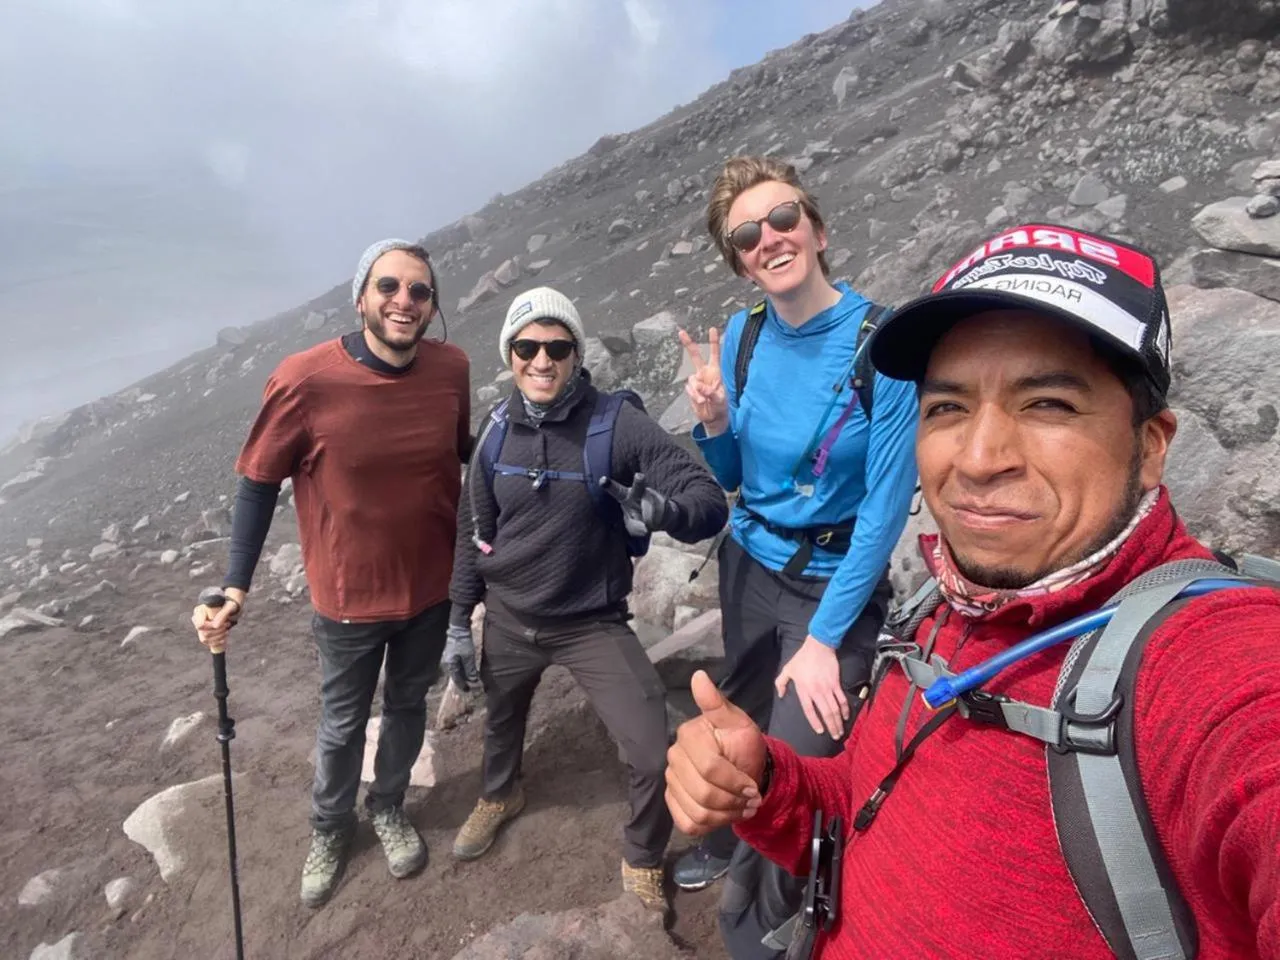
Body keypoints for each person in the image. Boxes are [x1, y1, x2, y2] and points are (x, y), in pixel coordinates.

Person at [664, 223, 1280, 959]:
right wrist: (769, 782)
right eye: (948, 408)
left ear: (1151, 445)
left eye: (1048, 403)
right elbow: (868, 812)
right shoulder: (945, 607)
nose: (981, 459)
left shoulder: (1216, 675)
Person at [672, 155, 920, 956]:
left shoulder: (881, 346)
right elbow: (735, 477)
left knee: (799, 763)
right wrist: (714, 420)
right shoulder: (743, 337)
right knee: (734, 720)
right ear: (740, 260)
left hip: (832, 587)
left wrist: (822, 641)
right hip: (750, 566)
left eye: (783, 219)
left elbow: (884, 513)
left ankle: (765, 929)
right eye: (748, 235)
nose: (769, 239)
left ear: (817, 229)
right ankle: (727, 840)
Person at [191, 239, 471, 909]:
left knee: (407, 707)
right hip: (348, 600)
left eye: (420, 291)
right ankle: (330, 827)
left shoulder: (452, 368)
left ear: (432, 305)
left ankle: (389, 806)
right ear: (361, 298)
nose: (404, 301)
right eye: (389, 287)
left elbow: (464, 455)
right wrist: (236, 584)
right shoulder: (305, 380)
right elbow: (258, 482)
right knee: (343, 724)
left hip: (430, 590)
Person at [444, 285, 729, 914]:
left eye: (557, 347)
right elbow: (473, 531)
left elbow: (706, 499)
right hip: (510, 616)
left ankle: (642, 855)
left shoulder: (615, 424)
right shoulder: (494, 432)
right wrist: (459, 622)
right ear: (510, 354)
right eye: (527, 348)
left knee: (650, 749)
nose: (541, 360)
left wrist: (666, 511)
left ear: (576, 353)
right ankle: (501, 792)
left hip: (590, 623)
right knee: (501, 718)